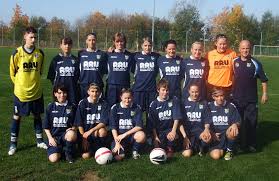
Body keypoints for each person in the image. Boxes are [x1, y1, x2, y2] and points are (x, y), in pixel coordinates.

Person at [8, 26, 47, 156]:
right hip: (21, 94)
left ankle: (40, 140)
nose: (33, 39)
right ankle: (13, 144)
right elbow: (12, 73)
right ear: (25, 37)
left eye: (35, 37)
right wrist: (20, 86)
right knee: (17, 117)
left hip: (36, 92)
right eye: (31, 37)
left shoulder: (40, 53)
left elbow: (40, 71)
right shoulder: (17, 53)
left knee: (37, 115)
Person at [232, 40, 268, 152]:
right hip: (236, 99)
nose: (245, 50)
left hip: (251, 99)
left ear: (250, 49)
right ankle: (237, 144)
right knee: (237, 123)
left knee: (251, 122)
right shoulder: (234, 62)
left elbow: (263, 80)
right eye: (243, 48)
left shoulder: (255, 63)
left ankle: (251, 144)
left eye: (247, 48)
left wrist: (265, 93)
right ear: (239, 49)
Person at [131, 37, 160, 134]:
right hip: (138, 90)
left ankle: (149, 133)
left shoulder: (156, 56)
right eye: (145, 45)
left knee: (150, 113)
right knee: (138, 112)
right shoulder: (135, 56)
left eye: (149, 46)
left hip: (151, 90)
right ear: (141, 46)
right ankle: (137, 132)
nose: (147, 48)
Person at [149, 79, 182, 158]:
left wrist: (173, 131)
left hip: (170, 129)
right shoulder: (153, 104)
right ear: (158, 90)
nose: (165, 92)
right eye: (163, 90)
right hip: (159, 131)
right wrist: (155, 137)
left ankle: (170, 148)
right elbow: (152, 124)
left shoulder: (174, 100)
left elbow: (176, 118)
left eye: (167, 90)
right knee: (158, 145)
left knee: (173, 138)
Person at [43, 85, 77, 163]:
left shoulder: (72, 106)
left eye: (64, 93)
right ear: (55, 94)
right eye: (59, 93)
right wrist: (50, 138)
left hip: (66, 136)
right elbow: (46, 126)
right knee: (54, 159)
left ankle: (68, 154)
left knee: (71, 133)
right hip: (55, 137)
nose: (62, 95)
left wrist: (73, 129)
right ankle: (61, 149)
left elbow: (76, 122)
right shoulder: (50, 107)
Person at [75, 83, 109, 159]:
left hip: (96, 132)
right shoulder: (83, 103)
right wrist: (84, 138)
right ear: (88, 92)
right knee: (85, 156)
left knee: (102, 131)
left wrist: (93, 130)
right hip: (85, 133)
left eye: (96, 91)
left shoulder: (104, 103)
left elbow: (103, 122)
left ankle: (100, 149)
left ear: (100, 93)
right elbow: (79, 123)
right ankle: (91, 150)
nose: (94, 94)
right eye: (92, 91)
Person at [110, 88, 146, 160]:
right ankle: (121, 150)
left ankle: (134, 150)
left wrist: (125, 134)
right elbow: (113, 127)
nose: (127, 100)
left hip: (131, 136)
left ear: (132, 97)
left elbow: (139, 126)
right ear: (121, 97)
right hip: (119, 137)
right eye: (125, 98)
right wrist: (117, 143)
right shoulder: (115, 108)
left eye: (129, 98)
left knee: (141, 135)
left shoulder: (136, 107)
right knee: (120, 157)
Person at [208, 87, 241, 160]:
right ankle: (224, 148)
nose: (220, 98)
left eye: (221, 95)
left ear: (224, 95)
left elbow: (238, 121)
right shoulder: (209, 106)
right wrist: (212, 133)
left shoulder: (231, 106)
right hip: (215, 136)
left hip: (226, 134)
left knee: (233, 129)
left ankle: (230, 150)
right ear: (213, 97)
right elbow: (204, 124)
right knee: (216, 156)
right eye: (217, 96)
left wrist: (235, 124)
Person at [180, 84, 212, 158]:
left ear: (199, 92)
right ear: (189, 91)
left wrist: (206, 130)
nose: (194, 94)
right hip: (188, 133)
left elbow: (207, 120)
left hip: (200, 131)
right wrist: (185, 137)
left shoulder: (204, 103)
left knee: (206, 140)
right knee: (187, 154)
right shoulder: (183, 103)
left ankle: (201, 146)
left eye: (196, 92)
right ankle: (195, 147)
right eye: (192, 92)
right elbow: (180, 123)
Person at [47, 37, 80, 105]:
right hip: (60, 93)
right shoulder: (55, 60)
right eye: (65, 44)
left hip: (72, 92)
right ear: (60, 45)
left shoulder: (76, 60)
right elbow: (51, 77)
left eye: (69, 44)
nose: (67, 46)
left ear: (71, 46)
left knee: (72, 112)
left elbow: (78, 76)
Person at [205, 34, 237, 100]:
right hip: (212, 86)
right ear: (216, 43)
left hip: (227, 87)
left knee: (226, 108)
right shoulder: (209, 54)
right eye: (220, 44)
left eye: (224, 44)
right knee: (212, 108)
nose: (222, 46)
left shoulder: (232, 54)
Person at [106, 32, 134, 107]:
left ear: (124, 42)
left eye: (121, 41)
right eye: (117, 41)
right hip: (112, 86)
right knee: (111, 108)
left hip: (125, 86)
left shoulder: (130, 55)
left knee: (124, 107)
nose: (119, 43)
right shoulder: (108, 54)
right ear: (114, 42)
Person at [78, 33, 107, 99]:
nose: (91, 42)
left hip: (97, 86)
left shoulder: (102, 54)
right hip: (84, 85)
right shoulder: (81, 53)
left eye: (93, 40)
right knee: (84, 105)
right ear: (86, 41)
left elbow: (104, 71)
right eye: (89, 40)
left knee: (98, 106)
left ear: (96, 41)